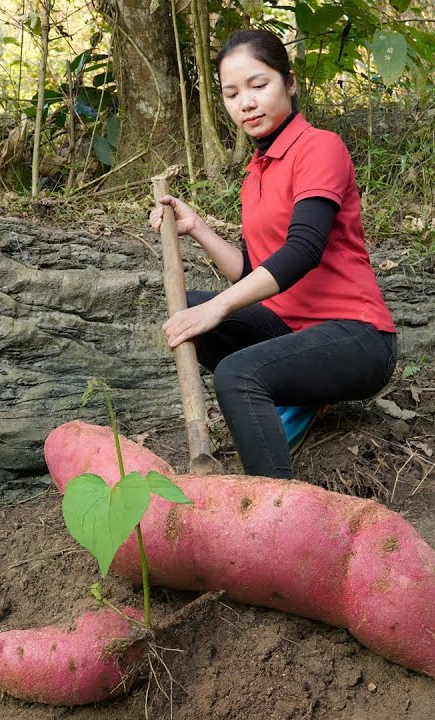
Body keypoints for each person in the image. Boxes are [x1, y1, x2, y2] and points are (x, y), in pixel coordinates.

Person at [149, 28, 397, 479]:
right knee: (189, 308)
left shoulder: (319, 147)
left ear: (290, 82)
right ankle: (304, 398)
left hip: (357, 337)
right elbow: (251, 270)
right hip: (291, 331)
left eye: (258, 85)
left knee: (237, 374)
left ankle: (271, 504)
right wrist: (198, 228)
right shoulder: (255, 174)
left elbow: (303, 250)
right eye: (232, 94)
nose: (246, 103)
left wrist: (221, 306)